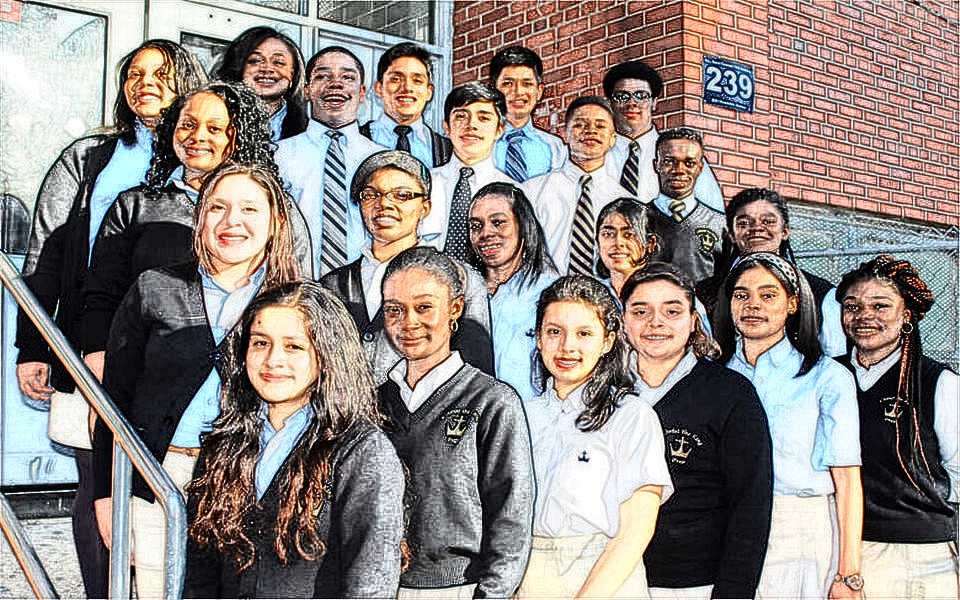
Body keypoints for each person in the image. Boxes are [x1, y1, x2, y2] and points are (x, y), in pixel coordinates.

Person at [13, 39, 205, 600]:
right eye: (135, 74)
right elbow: (45, 252)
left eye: (162, 74)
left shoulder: (205, 162)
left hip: (175, 349)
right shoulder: (89, 158)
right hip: (91, 344)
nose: (146, 83)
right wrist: (35, 346)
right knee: (97, 484)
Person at [91, 162, 303, 598]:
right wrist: (107, 494)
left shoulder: (297, 302)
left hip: (255, 479)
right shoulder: (154, 288)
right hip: (159, 480)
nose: (232, 222)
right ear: (200, 217)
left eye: (249, 209)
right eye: (217, 208)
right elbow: (113, 403)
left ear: (276, 221)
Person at [184, 281, 405, 598]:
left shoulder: (362, 449)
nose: (273, 360)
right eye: (261, 343)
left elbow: (371, 581)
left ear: (327, 354)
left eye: (294, 347)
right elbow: (200, 573)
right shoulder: (223, 444)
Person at [81, 80, 313, 380]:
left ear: (239, 136)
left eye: (214, 128)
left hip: (251, 373)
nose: (197, 136)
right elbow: (102, 293)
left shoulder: (276, 208)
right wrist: (99, 354)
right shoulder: (134, 205)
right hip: (153, 374)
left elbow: (299, 290)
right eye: (188, 125)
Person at [378, 246, 534, 598]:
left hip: (460, 589)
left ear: (455, 309)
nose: (408, 322)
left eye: (423, 307)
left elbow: (511, 519)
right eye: (394, 310)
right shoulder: (372, 403)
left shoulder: (491, 402)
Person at [714, 252, 864, 599]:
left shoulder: (826, 377)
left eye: (768, 295)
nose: (753, 305)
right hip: (724, 526)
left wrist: (849, 573)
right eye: (741, 295)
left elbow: (847, 480)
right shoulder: (713, 376)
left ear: (793, 303)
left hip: (798, 532)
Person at [620, 263, 773, 599]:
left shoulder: (731, 394)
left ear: (693, 321)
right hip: (611, 578)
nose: (655, 322)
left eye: (672, 311)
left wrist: (733, 594)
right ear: (623, 320)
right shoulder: (604, 392)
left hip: (695, 584)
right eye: (640, 311)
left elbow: (751, 506)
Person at [519, 275, 673, 598]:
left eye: (584, 333)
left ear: (607, 341)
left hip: (604, 578)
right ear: (539, 338)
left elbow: (635, 531)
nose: (567, 347)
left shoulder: (631, 416)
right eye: (554, 332)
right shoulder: (521, 416)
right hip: (531, 576)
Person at [835, 256, 958, 598]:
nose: (864, 316)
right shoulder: (827, 376)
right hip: (840, 548)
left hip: (916, 557)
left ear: (906, 315)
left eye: (880, 306)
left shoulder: (938, 383)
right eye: (852, 306)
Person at [320, 150, 493, 384]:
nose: (384, 204)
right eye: (371, 195)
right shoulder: (331, 284)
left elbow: (477, 377)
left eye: (401, 195)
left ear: (425, 208)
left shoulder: (462, 278)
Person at [697, 187, 846, 356]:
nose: (756, 228)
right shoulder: (704, 293)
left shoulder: (823, 294)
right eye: (744, 223)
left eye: (768, 221)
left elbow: (836, 357)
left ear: (785, 231)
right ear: (731, 234)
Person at [276, 45, 386, 275]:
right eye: (323, 76)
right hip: (295, 285)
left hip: (367, 287)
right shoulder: (276, 156)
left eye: (347, 77)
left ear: (362, 93)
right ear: (307, 91)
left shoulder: (383, 160)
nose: (335, 84)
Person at [468, 181, 558, 401]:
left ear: (523, 226)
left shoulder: (552, 293)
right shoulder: (462, 292)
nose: (486, 233)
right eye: (476, 226)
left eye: (498, 222)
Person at [526, 96, 633, 275]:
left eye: (600, 126)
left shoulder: (625, 201)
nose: (591, 131)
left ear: (613, 139)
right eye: (580, 125)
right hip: (544, 289)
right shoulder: (532, 191)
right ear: (565, 134)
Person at [602, 59, 724, 209]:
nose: (632, 103)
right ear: (610, 104)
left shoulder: (683, 154)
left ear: (654, 102)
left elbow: (713, 210)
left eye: (641, 95)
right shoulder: (596, 154)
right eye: (622, 96)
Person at [420, 81, 512, 263]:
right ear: (446, 127)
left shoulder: (513, 193)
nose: (471, 125)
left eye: (484, 118)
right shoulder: (423, 185)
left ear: (499, 130)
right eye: (461, 116)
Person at [649, 127, 726, 283]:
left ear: (700, 168)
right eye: (669, 161)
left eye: (689, 163)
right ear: (656, 165)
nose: (679, 170)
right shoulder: (636, 218)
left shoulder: (720, 224)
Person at [360, 42, 453, 167]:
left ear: (429, 92)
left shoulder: (450, 150)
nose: (407, 87)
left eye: (417, 81)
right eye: (396, 79)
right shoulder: (354, 140)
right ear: (379, 88)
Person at [215, 26, 308, 141]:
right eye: (256, 60)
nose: (267, 68)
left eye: (278, 62)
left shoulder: (308, 133)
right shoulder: (214, 117)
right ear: (238, 68)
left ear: (293, 75)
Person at [489, 46, 565, 181]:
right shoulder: (478, 143)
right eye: (508, 83)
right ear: (493, 91)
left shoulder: (555, 148)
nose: (518, 92)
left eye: (527, 83)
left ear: (539, 92)